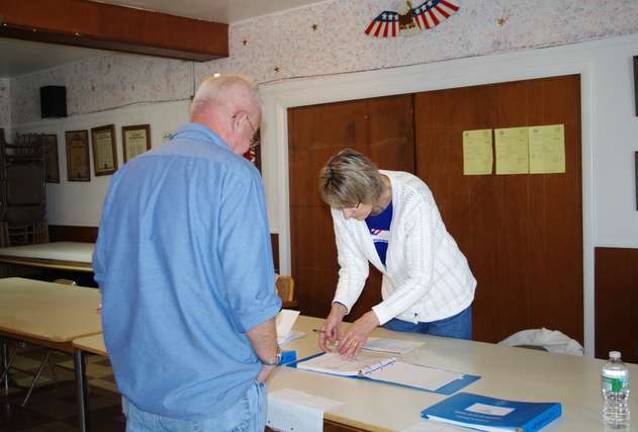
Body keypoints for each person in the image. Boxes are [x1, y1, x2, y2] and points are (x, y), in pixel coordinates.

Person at [93, 75, 282, 431]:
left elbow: (106, 274)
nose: (247, 147)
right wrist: (270, 355)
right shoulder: (236, 175)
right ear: (240, 120)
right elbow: (249, 292)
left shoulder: (127, 174)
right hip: (214, 395)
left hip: (142, 389)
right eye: (252, 135)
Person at [318, 148, 476, 358]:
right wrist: (338, 309)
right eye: (340, 208)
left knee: (448, 378)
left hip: (445, 301)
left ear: (369, 190)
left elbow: (421, 278)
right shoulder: (344, 201)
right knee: (397, 375)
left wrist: (370, 319)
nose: (346, 215)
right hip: (398, 305)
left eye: (350, 207)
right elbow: (353, 266)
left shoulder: (413, 197)